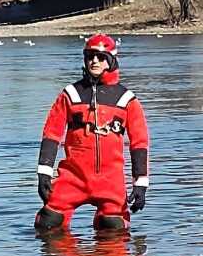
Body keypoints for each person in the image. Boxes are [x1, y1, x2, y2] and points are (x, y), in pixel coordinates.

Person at [35, 34, 150, 232]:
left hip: (110, 182)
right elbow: (52, 134)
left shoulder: (127, 99)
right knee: (47, 224)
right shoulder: (70, 94)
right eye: (89, 56)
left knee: (113, 228)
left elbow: (139, 142)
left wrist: (140, 183)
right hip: (73, 178)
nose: (94, 61)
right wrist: (44, 173)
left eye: (100, 56)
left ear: (111, 60)